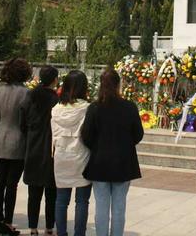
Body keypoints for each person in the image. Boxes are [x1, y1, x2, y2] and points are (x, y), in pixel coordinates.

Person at [81, 69, 144, 236]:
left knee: (101, 206)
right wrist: (124, 143)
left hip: (100, 162)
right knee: (119, 207)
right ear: (118, 84)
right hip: (123, 162)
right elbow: (138, 134)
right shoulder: (129, 107)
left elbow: (86, 135)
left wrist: (98, 146)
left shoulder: (94, 108)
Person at [0, 58, 31, 236]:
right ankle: (8, 221)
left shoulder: (0, 91)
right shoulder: (26, 93)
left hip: (1, 138)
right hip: (18, 141)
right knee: (11, 185)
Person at [20, 65, 59, 236]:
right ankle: (49, 227)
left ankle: (33, 227)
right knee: (51, 192)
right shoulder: (56, 99)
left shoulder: (31, 95)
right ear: (54, 80)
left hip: (33, 145)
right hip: (51, 148)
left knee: (34, 192)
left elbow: (22, 119)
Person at [51, 71, 91, 236]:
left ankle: (61, 233)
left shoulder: (56, 109)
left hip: (61, 155)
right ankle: (79, 233)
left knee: (61, 200)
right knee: (82, 201)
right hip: (81, 155)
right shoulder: (87, 108)